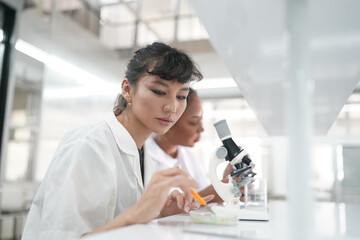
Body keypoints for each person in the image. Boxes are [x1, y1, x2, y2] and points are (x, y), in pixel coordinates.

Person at [21, 42, 208, 240]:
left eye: (181, 96)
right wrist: (138, 213)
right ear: (127, 89)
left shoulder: (143, 153)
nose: (172, 107)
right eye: (159, 92)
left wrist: (160, 214)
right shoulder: (88, 146)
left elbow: (118, 226)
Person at [144, 88, 228, 203]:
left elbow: (202, 192)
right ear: (169, 121)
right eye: (193, 122)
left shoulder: (185, 153)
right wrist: (219, 191)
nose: (201, 129)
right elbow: (161, 208)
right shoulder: (144, 157)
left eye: (201, 121)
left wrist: (225, 180)